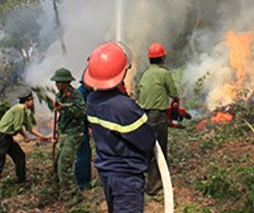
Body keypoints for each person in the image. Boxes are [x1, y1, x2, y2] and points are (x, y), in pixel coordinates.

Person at [84, 42, 157, 213]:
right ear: (123, 72)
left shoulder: (92, 100)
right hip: (126, 177)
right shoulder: (123, 107)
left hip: (106, 171)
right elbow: (147, 140)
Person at [0, 89, 51, 201]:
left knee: (20, 156)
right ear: (27, 101)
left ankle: (21, 180)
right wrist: (25, 137)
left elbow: (29, 128)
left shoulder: (24, 111)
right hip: (2, 137)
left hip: (8, 137)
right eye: (32, 100)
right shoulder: (19, 109)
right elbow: (18, 127)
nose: (33, 103)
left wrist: (42, 136)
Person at [137, 42, 179, 196]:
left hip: (144, 116)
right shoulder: (163, 73)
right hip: (157, 117)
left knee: (148, 150)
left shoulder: (146, 74)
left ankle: (146, 182)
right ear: (162, 57)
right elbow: (174, 93)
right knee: (160, 150)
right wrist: (176, 101)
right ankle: (155, 187)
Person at [50, 67, 87, 206]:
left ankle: (75, 194)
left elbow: (81, 112)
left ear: (66, 82)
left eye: (59, 82)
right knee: (56, 164)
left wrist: (64, 106)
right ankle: (59, 191)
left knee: (63, 165)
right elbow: (60, 116)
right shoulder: (58, 96)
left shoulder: (76, 95)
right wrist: (57, 135)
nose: (57, 85)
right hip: (63, 133)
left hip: (75, 133)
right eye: (56, 82)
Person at [74, 77, 93, 191]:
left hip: (83, 128)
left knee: (86, 154)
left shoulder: (87, 92)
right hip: (78, 129)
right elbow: (83, 113)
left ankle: (86, 182)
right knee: (83, 155)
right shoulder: (80, 93)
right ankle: (81, 183)